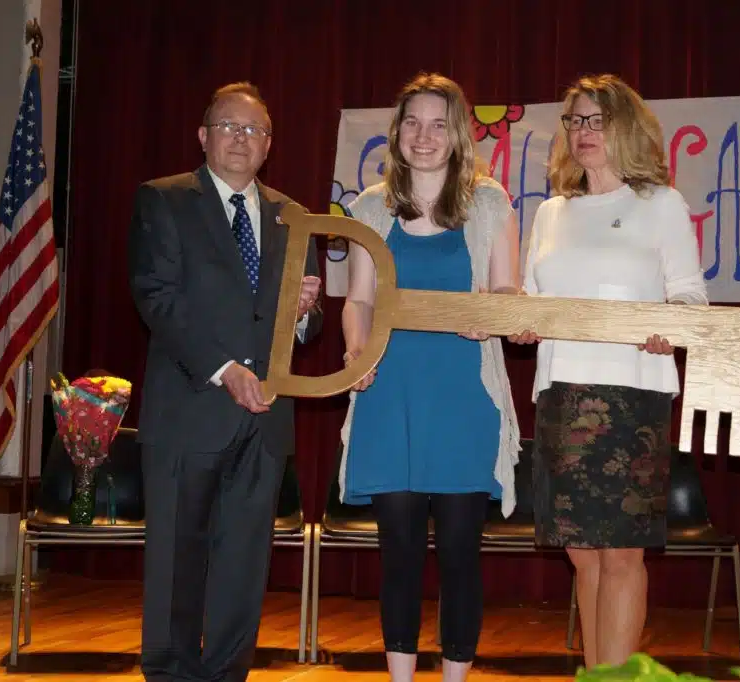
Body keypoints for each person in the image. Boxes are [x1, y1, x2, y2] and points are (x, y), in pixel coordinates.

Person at [127, 82, 323, 682]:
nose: (241, 139)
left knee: (242, 565)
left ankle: (227, 674)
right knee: (176, 563)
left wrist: (306, 314)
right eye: (229, 127)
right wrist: (224, 369)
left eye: (254, 130)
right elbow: (156, 299)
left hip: (264, 421)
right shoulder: (164, 200)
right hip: (190, 408)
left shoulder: (295, 216)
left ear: (269, 144)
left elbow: (307, 332)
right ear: (204, 135)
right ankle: (170, 674)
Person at [512, 73, 708, 668]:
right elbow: (527, 299)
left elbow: (690, 298)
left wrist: (668, 328)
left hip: (633, 394)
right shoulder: (550, 212)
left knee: (621, 554)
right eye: (575, 121)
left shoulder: (661, 204)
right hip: (561, 394)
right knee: (583, 556)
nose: (584, 132)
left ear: (628, 128)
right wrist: (522, 321)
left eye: (597, 120)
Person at [339, 72, 522, 682]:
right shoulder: (369, 205)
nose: (424, 135)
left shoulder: (490, 202)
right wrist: (354, 353)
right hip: (389, 393)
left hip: (464, 395)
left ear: (458, 132)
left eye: (438, 123)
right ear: (397, 131)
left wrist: (490, 316)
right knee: (399, 554)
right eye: (412, 122)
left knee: (461, 555)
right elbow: (357, 301)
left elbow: (506, 292)